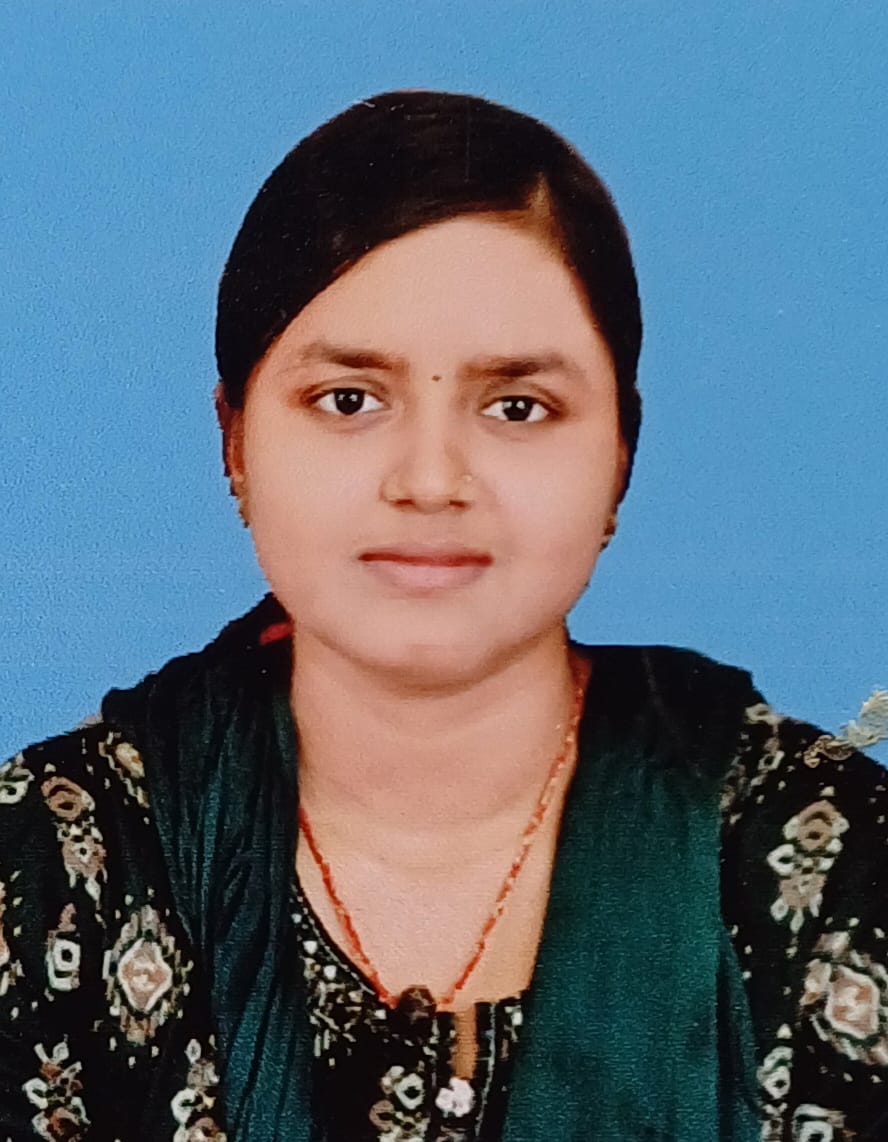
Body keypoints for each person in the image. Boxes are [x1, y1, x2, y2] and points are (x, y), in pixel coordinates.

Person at [1, 90, 886, 1142]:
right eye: (348, 399)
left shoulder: (830, 861)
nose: (430, 480)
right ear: (234, 438)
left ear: (620, 454)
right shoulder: (55, 861)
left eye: (517, 406)